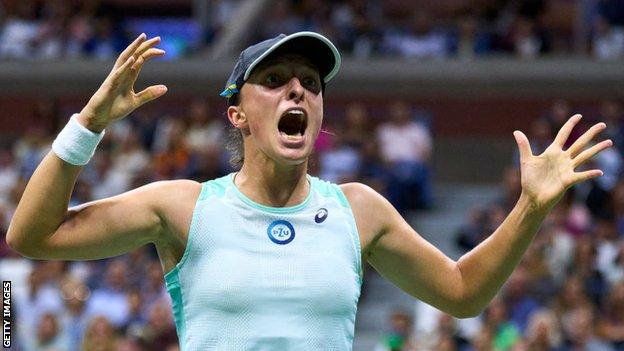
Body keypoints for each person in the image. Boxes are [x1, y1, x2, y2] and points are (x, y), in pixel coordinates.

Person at [6, 31, 613, 350]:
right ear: (238, 115)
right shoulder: (184, 206)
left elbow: (462, 293)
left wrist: (531, 209)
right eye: (273, 81)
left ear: (320, 115)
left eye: (309, 83)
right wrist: (88, 125)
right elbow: (31, 236)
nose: (297, 91)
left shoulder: (358, 208)